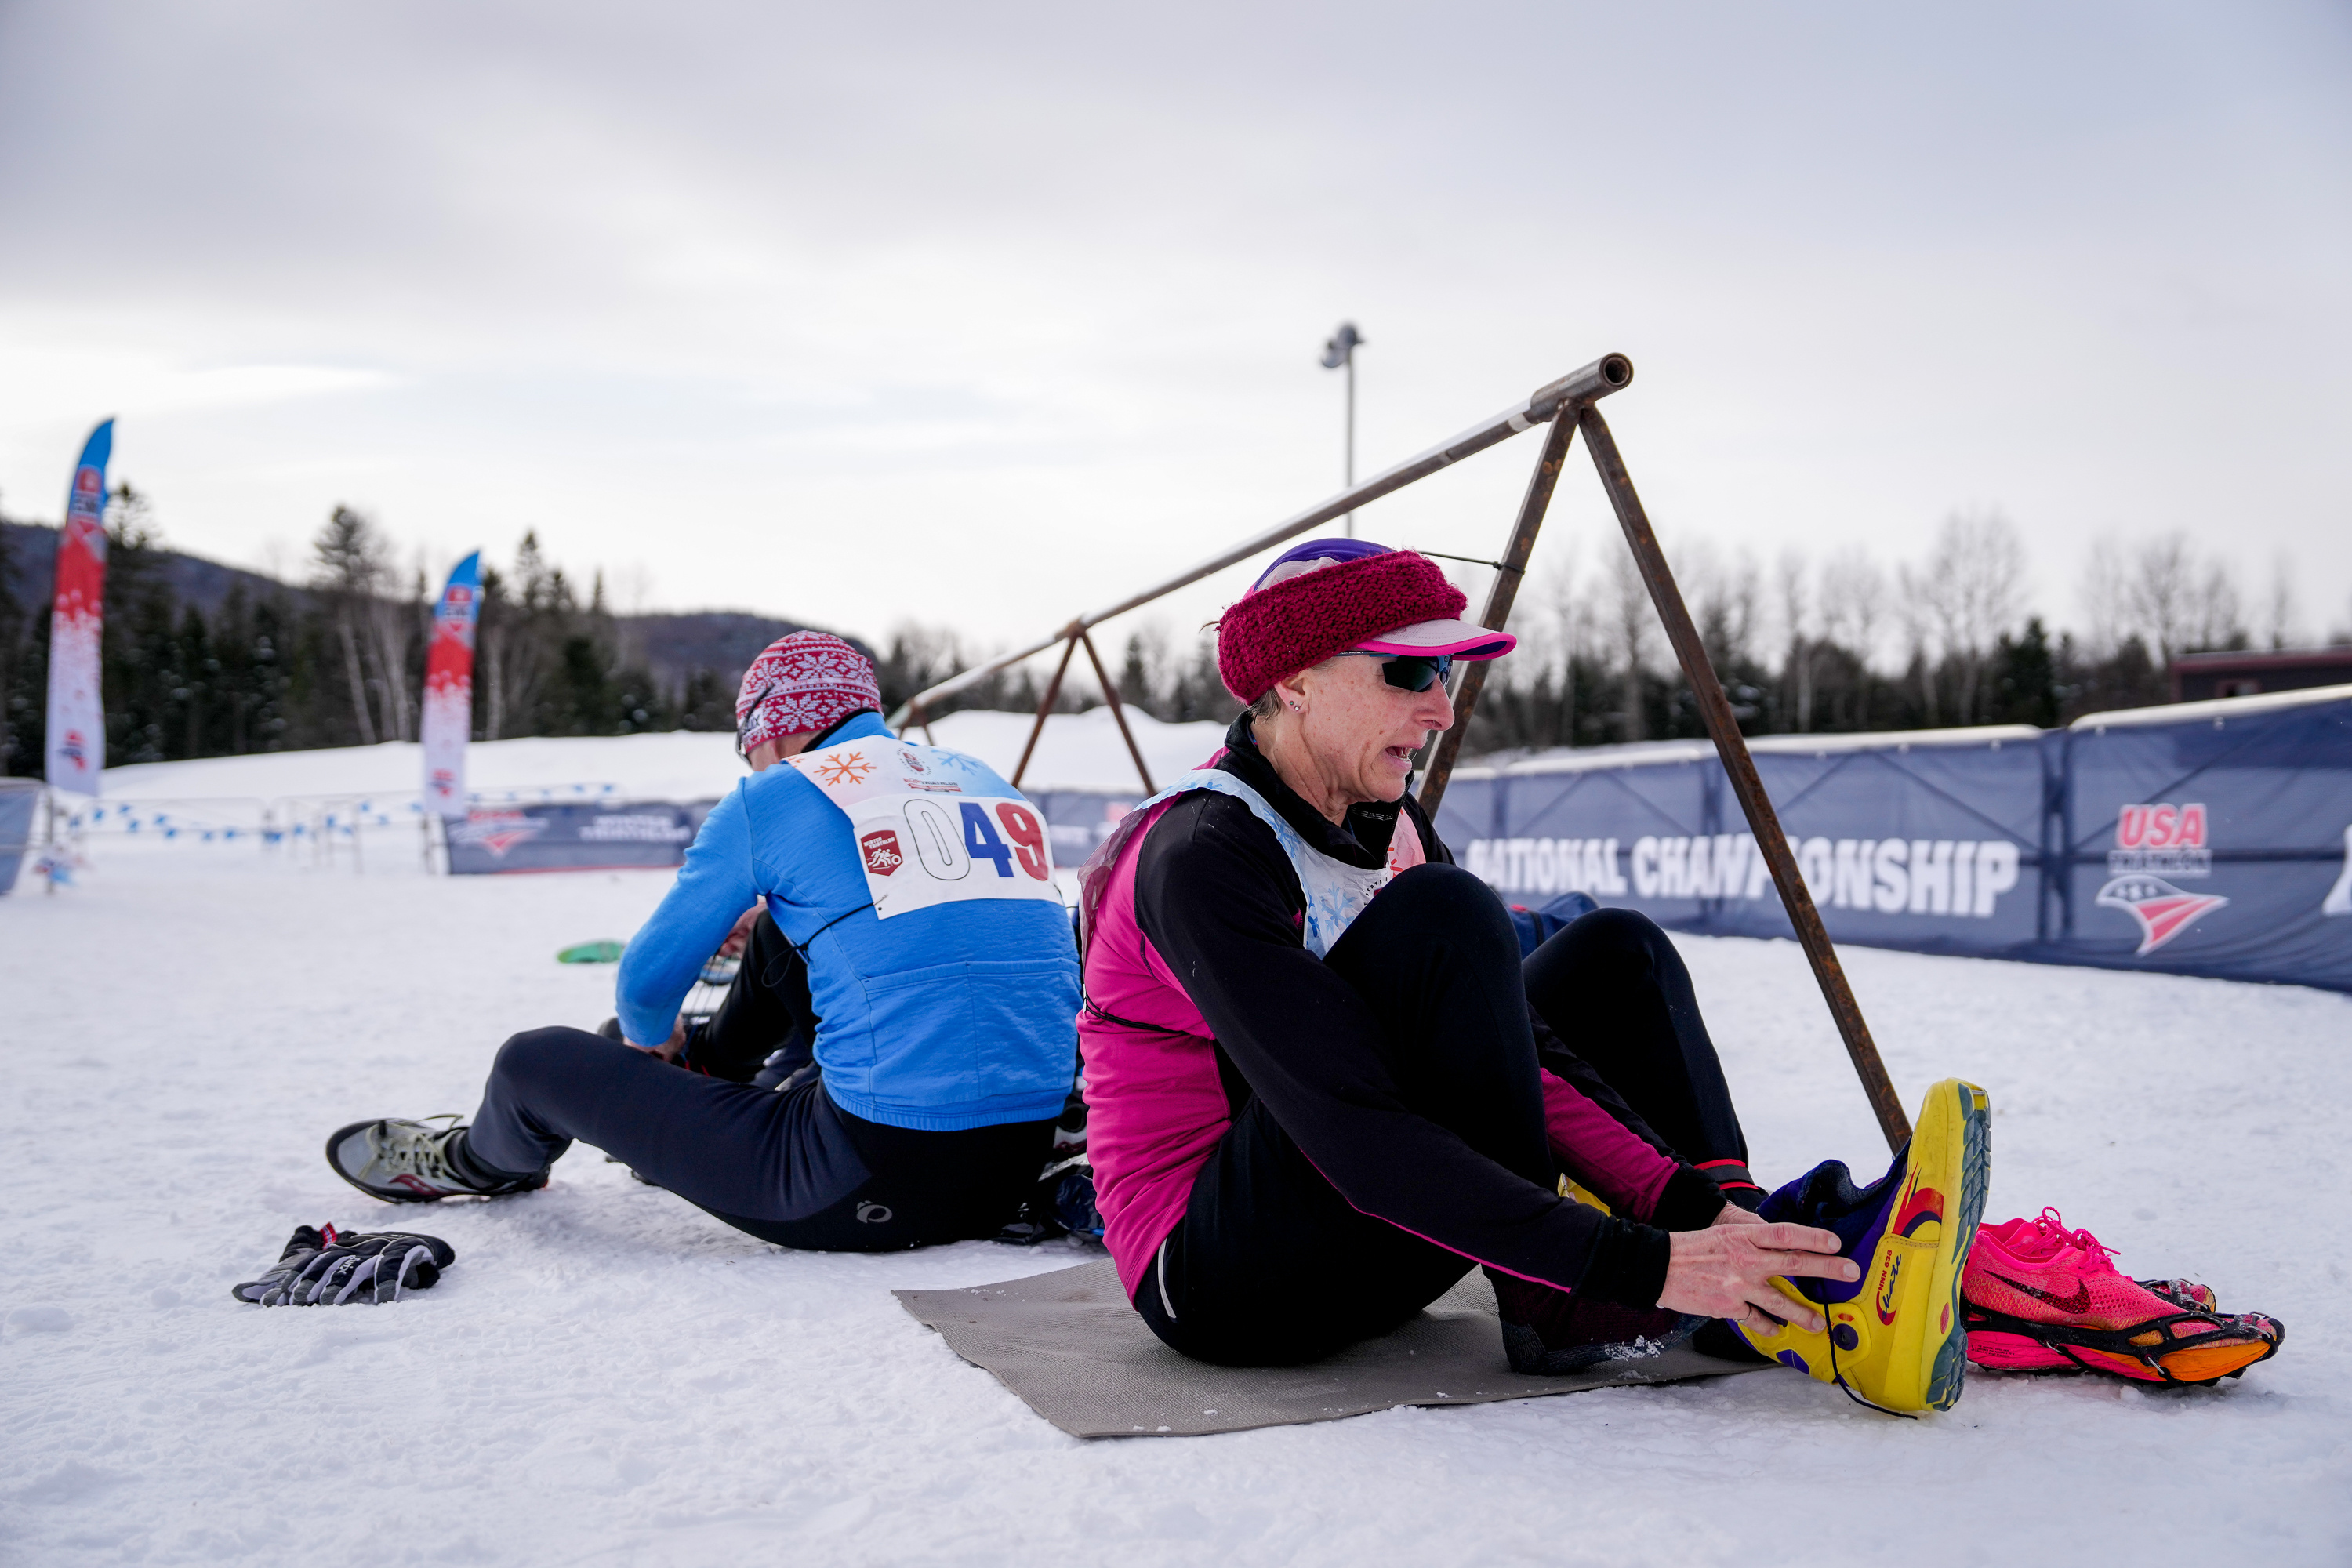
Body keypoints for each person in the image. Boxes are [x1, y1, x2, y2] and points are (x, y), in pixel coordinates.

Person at [1076, 538, 1992, 1414]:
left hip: (1368, 1216)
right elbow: (1353, 1129)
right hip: (1222, 1278)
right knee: (1450, 913)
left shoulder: (1387, 820)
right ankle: (1581, 1294)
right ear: (1297, 681)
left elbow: (1522, 1049)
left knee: (1615, 951)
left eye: (1445, 673)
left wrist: (1698, 1210)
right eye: (1408, 673)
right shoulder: (1202, 852)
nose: (1440, 709)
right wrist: (1637, 1263)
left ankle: (1759, 1256)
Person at [326, 632, 1082, 1252]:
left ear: (771, 731)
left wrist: (650, 1043)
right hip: (1020, 1153)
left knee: (534, 1062)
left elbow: (645, 988)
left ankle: (478, 1162)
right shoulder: (983, 780)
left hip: (868, 1180)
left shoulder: (778, 791)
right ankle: (712, 1068)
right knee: (780, 929)